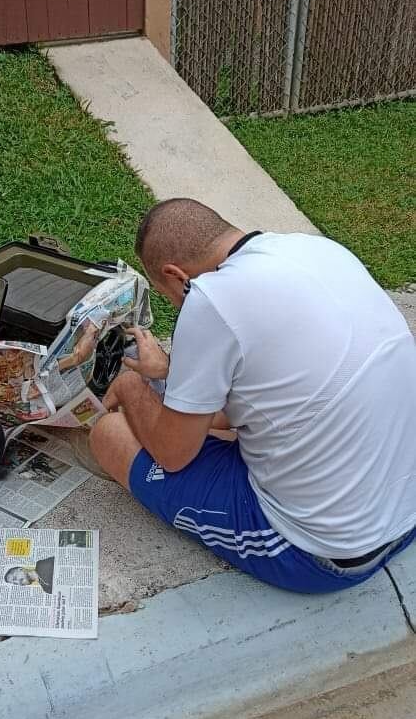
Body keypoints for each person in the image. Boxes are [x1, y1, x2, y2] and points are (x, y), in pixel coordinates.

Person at [89, 199, 416, 594]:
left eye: (168, 295)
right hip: (405, 514)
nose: (178, 305)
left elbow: (173, 455)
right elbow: (275, 389)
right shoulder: (318, 249)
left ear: (175, 275)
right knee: (211, 423)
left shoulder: (210, 300)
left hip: (324, 552)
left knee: (109, 433)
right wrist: (171, 374)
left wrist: (130, 387)